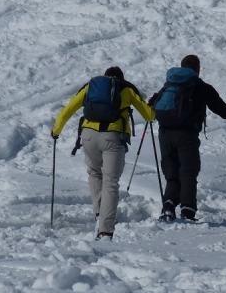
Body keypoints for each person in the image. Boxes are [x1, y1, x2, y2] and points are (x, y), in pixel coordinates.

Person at [51, 67, 155, 240]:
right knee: (110, 181)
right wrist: (152, 105)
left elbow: (68, 109)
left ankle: (100, 213)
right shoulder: (126, 89)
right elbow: (149, 116)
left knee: (94, 173)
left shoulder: (89, 88)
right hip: (112, 138)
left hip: (88, 136)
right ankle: (105, 231)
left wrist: (56, 130)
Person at [153, 55, 226, 221]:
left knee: (172, 173)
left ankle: (168, 206)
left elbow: (153, 104)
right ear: (198, 70)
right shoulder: (200, 87)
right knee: (188, 171)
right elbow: (222, 109)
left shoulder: (169, 84)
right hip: (186, 135)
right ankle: (187, 210)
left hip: (165, 134)